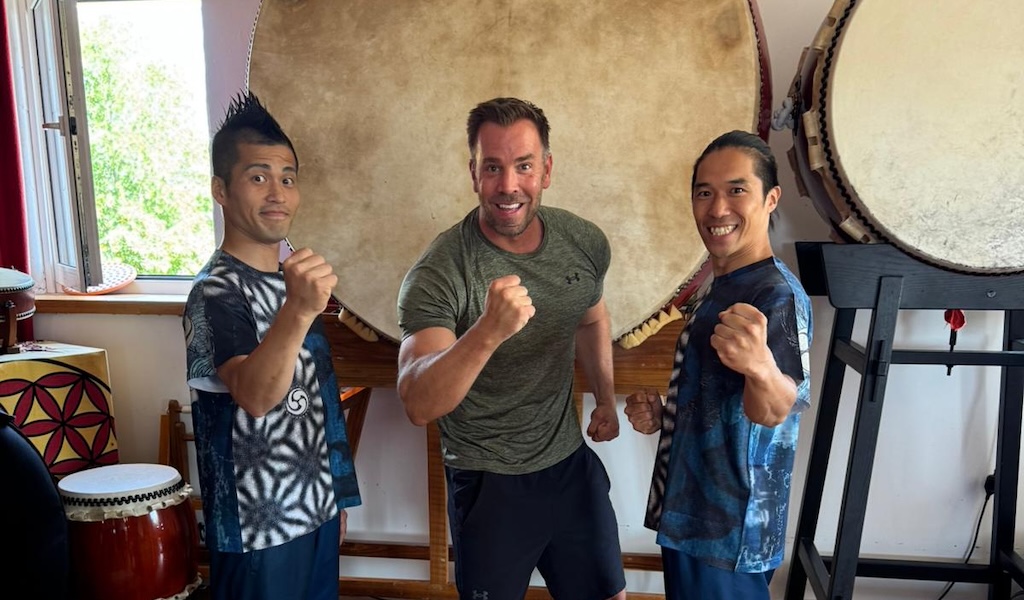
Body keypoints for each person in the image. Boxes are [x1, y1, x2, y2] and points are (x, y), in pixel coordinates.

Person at [396, 97, 627, 600]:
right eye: (492, 168)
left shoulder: (583, 241)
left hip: (568, 464)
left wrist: (606, 399)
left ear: (546, 170)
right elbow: (417, 402)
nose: (508, 185)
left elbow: (591, 317)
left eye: (523, 166)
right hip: (488, 480)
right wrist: (487, 331)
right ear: (473, 174)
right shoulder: (441, 271)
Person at [182, 91, 360, 600]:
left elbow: (319, 401)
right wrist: (300, 310)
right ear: (221, 189)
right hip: (256, 523)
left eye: (288, 178)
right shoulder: (214, 291)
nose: (278, 193)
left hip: (314, 508)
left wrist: (336, 495)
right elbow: (256, 397)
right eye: (258, 177)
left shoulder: (291, 281)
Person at [624, 130, 812, 600]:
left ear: (771, 199)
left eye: (736, 190)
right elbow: (722, 395)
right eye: (704, 193)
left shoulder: (775, 294)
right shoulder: (723, 282)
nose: (717, 208)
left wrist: (762, 368)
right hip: (693, 517)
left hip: (729, 531)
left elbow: (775, 409)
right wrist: (667, 412)